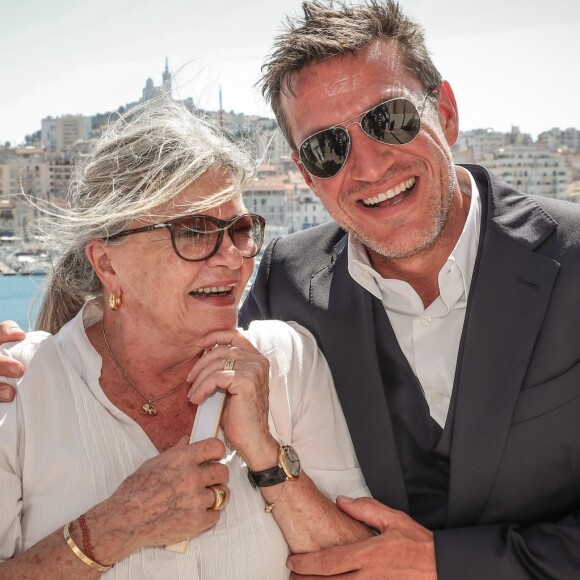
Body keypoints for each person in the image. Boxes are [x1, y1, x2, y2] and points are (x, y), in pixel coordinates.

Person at [235, 1, 580, 578]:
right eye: (327, 148)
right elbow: (194, 387)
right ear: (305, 173)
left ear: (445, 112)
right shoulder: (282, 283)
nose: (369, 167)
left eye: (388, 119)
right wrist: (37, 365)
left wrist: (447, 563)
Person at [0, 99, 372, 578]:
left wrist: (265, 452)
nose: (233, 258)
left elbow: (363, 568)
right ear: (107, 264)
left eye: (239, 230)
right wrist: (115, 524)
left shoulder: (287, 360)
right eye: (193, 233)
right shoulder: (19, 388)